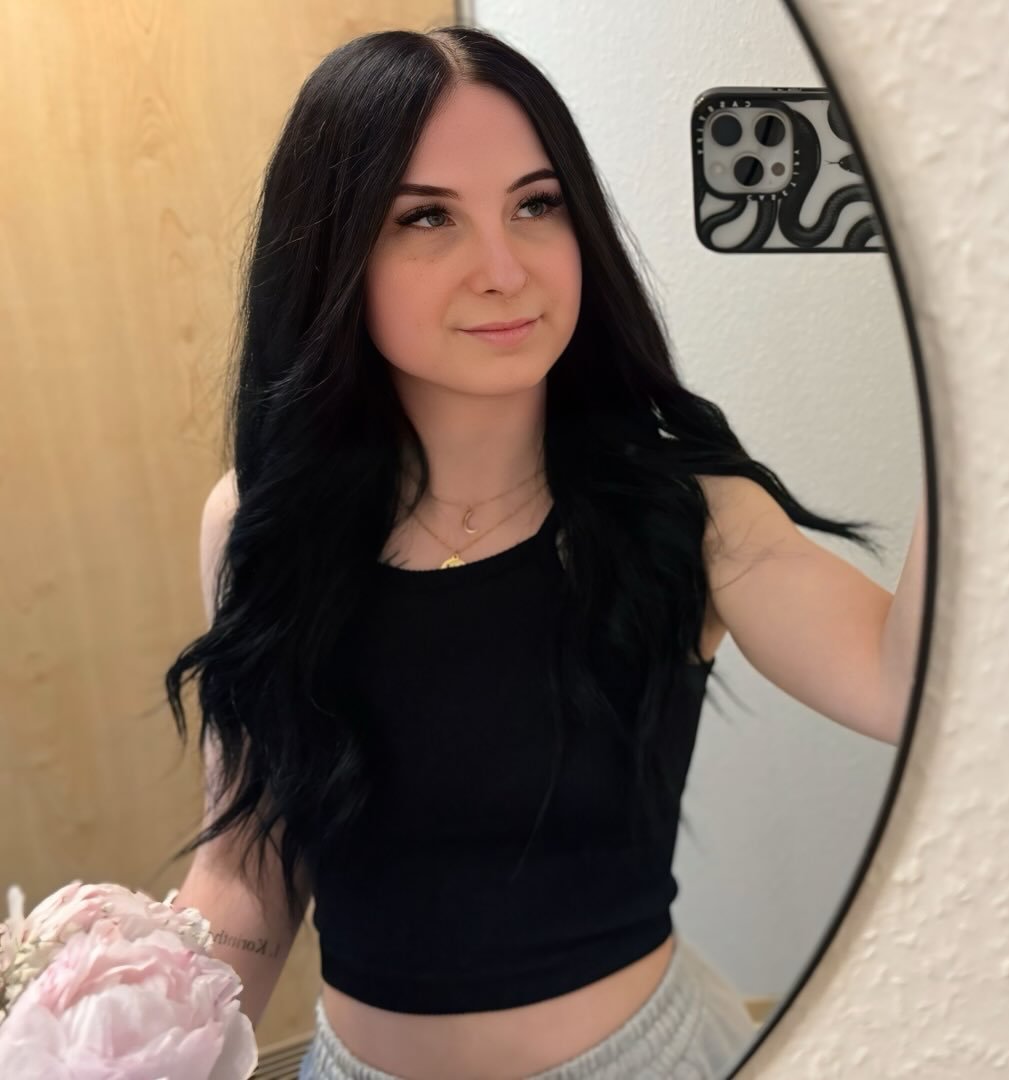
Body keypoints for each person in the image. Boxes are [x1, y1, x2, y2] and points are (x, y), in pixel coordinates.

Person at [165, 24, 925, 1080]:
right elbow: (246, 867)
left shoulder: (692, 514)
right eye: (425, 217)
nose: (503, 269)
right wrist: (140, 1032)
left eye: (537, 204)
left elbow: (909, 682)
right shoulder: (260, 521)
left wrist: (986, 356)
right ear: (334, 252)